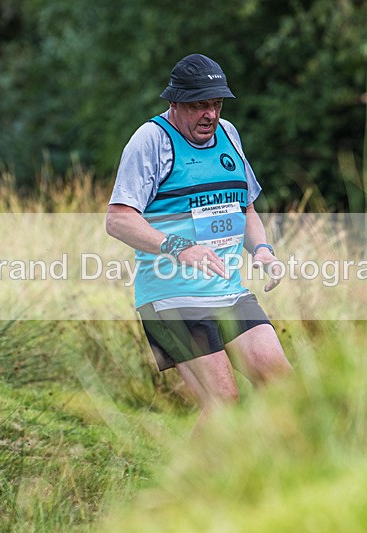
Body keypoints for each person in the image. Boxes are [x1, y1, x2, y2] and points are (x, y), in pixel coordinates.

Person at [106, 53, 292, 429]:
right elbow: (118, 221)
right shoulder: (151, 140)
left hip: (228, 290)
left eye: (216, 104)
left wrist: (263, 251)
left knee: (284, 387)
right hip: (171, 296)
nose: (210, 114)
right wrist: (179, 247)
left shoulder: (229, 134)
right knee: (223, 403)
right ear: (174, 102)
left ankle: (272, 480)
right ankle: (183, 489)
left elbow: (246, 209)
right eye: (199, 105)